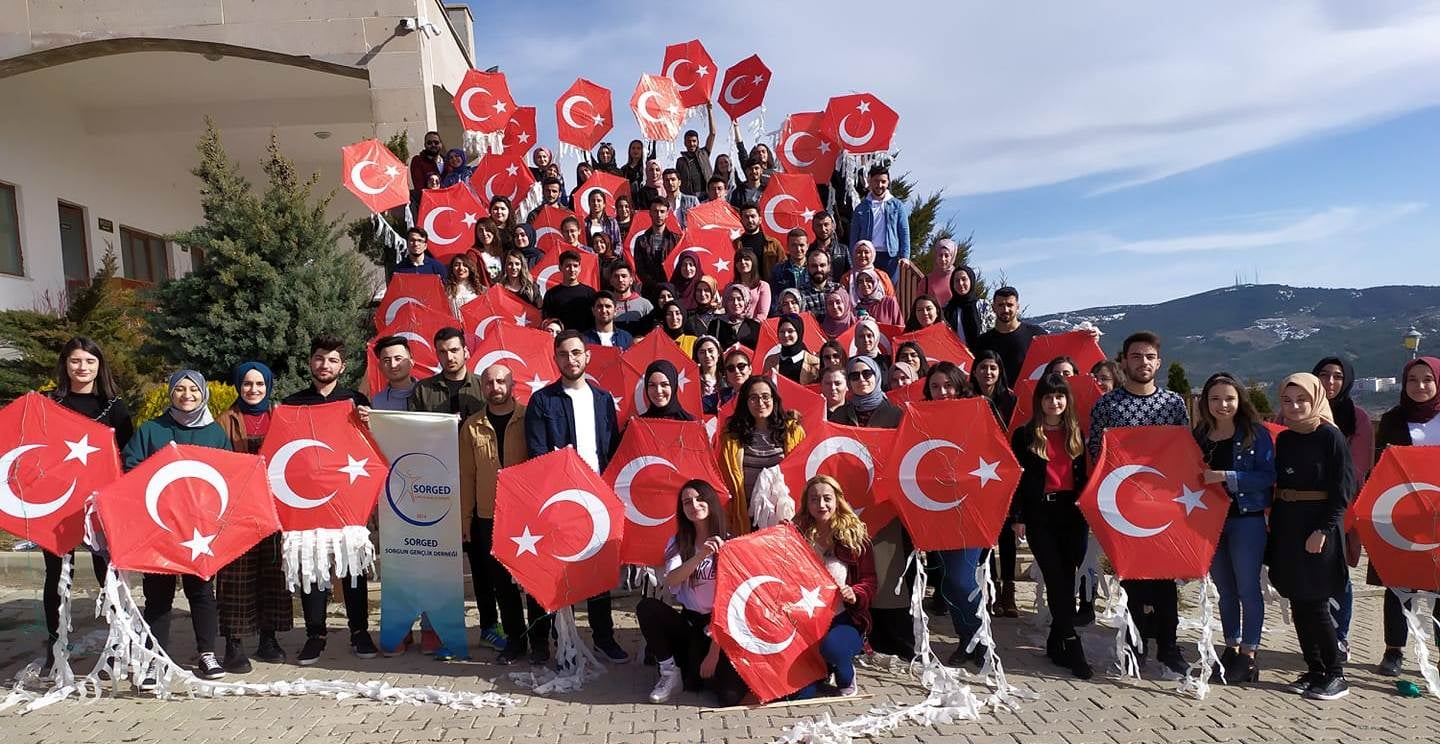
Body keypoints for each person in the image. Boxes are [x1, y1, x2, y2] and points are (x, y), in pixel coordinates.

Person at [1086, 331, 1190, 678]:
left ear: (1158, 363)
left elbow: (1183, 450)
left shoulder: (1173, 404)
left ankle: (1169, 647)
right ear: (1124, 361)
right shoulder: (1107, 405)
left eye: (1149, 357)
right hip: (1123, 504)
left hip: (1164, 505)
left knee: (1164, 580)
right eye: (1135, 356)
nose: (1142, 362)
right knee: (1132, 579)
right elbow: (1097, 450)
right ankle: (1135, 643)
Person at [523, 332, 628, 662]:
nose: (571, 359)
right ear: (556, 358)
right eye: (564, 354)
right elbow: (538, 453)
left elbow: (610, 450)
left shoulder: (602, 399)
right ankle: (553, 641)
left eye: (577, 353)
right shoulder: (542, 401)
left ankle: (603, 637)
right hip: (559, 499)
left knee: (598, 572)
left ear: (587, 356)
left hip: (597, 499)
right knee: (556, 573)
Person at [122, 370, 232, 681]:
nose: (187, 395)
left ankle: (207, 653)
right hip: (160, 526)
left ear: (203, 394)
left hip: (200, 529)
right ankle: (155, 658)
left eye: (194, 389)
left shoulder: (215, 433)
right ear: (171, 393)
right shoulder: (152, 429)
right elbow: (131, 466)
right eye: (180, 389)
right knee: (158, 596)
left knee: (201, 592)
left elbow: (227, 474)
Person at [279, 335, 376, 665]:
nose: (325, 365)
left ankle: (359, 632)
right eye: (320, 358)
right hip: (307, 500)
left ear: (342, 366)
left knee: (352, 566)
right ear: (311, 361)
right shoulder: (292, 404)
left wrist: (370, 422)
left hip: (347, 497)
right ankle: (315, 635)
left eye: (333, 360)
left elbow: (371, 447)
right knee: (312, 565)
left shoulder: (355, 401)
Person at [42, 337, 131, 672]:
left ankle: (119, 642)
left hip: (100, 505)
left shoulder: (114, 407)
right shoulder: (48, 403)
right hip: (57, 503)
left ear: (99, 366)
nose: (83, 368)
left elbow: (125, 455)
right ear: (65, 364)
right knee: (57, 576)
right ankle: (55, 644)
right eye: (76, 361)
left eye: (90, 361)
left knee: (107, 573)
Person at [1270, 373, 1356, 701]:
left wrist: (1323, 530)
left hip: (1318, 528)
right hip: (1288, 527)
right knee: (1297, 602)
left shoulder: (1331, 437)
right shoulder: (1286, 439)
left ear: (1316, 400)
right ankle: (1314, 669)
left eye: (1302, 400)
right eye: (1287, 401)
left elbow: (1343, 490)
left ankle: (1336, 673)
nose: (1294, 407)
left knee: (1317, 603)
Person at [1009, 373, 1093, 678]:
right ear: (1039, 401)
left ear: (1067, 400)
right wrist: (1017, 516)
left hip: (1072, 514)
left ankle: (1056, 642)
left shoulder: (1077, 434)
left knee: (1067, 579)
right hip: (1039, 516)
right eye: (1048, 397)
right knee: (1055, 577)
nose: (1054, 402)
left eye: (1059, 396)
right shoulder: (1025, 435)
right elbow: (1017, 478)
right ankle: (1072, 643)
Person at [1193, 372, 1274, 685]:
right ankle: (1231, 646)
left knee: (1247, 588)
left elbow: (1267, 476)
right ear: (1206, 402)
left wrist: (1228, 476)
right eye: (1215, 399)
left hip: (1246, 519)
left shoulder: (1255, 433)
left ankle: (1249, 653)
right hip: (1210, 522)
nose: (1222, 405)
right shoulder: (1201, 434)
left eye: (1229, 398)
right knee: (1224, 589)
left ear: (1240, 399)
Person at [828, 355, 912, 658]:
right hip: (851, 505)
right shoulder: (839, 416)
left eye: (867, 373)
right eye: (854, 375)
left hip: (885, 504)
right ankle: (864, 636)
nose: (861, 379)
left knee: (889, 572)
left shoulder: (896, 415)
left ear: (877, 376)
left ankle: (898, 641)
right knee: (858, 569)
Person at [637, 480, 748, 705]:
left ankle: (703, 666)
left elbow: (732, 602)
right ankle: (670, 672)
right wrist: (700, 555)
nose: (694, 505)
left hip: (720, 626)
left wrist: (714, 653)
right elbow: (671, 580)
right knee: (647, 607)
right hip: (690, 622)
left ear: (711, 502)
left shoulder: (730, 542)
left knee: (730, 697)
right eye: (687, 502)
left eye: (700, 499)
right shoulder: (678, 542)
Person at [214, 361, 293, 673]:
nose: (253, 389)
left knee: (273, 573)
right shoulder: (225, 420)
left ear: (269, 386)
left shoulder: (280, 418)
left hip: (273, 508)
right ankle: (233, 644)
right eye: (247, 383)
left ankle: (268, 638)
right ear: (238, 385)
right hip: (237, 510)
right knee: (236, 577)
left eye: (260, 384)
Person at [459, 363, 540, 664]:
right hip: (488, 516)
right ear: (482, 387)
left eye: (501, 381)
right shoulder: (472, 426)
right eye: (489, 382)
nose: (495, 387)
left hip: (527, 516)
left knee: (533, 581)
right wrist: (465, 519)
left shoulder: (529, 418)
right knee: (501, 583)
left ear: (512, 384)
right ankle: (515, 640)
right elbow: (467, 475)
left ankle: (540, 640)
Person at [1371, 356, 1440, 678]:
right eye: (1413, 380)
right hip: (1401, 514)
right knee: (1399, 584)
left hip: (1438, 516)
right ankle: (1394, 650)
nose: (1420, 386)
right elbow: (1381, 468)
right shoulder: (1392, 420)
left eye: (1427, 379)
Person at [790, 475, 878, 699]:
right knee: (802, 695)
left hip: (843, 619)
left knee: (833, 649)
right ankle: (822, 669)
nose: (821, 504)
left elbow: (870, 581)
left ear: (838, 500)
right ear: (806, 503)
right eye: (814, 499)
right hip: (806, 622)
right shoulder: (795, 535)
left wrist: (855, 592)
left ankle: (844, 672)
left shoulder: (856, 537)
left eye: (827, 498)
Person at [1312, 357, 1372, 658]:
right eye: (1324, 375)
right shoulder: (1296, 410)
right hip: (1301, 506)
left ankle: (1339, 637)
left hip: (1341, 506)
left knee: (1338, 573)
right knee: (1307, 574)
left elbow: (1357, 466)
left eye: (1337, 376)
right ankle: (1314, 637)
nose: (1330, 382)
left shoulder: (1357, 417)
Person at [717, 376, 805, 533]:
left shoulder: (793, 432)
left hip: (785, 519)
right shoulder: (731, 437)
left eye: (765, 397)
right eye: (753, 398)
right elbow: (724, 481)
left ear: (774, 399)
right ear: (745, 402)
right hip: (747, 520)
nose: (760, 403)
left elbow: (802, 475)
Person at [972, 286, 1045, 386]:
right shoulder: (983, 341)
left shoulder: (1036, 334)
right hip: (995, 395)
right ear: (993, 308)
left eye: (1010, 305)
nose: (1005, 309)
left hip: (1028, 394)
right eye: (1001, 305)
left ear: (1017, 307)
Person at [849, 165, 910, 280]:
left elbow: (904, 231)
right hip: (867, 256)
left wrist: (905, 256)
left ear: (888, 183)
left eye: (883, 182)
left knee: (888, 288)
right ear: (869, 181)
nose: (880, 185)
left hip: (890, 257)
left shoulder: (897, 206)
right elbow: (854, 235)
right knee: (867, 287)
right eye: (876, 181)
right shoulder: (861, 208)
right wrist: (853, 258)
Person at [541, 251, 597, 332]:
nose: (572, 269)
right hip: (560, 338)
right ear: (560, 267)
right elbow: (547, 322)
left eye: (575, 266)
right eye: (568, 266)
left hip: (584, 338)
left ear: (580, 268)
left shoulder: (590, 293)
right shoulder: (551, 294)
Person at [942, 267, 994, 348]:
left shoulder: (983, 306)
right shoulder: (946, 309)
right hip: (954, 353)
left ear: (971, 281)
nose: (960, 283)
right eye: (957, 281)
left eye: (964, 279)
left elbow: (992, 332)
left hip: (981, 353)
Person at [635, 200, 681, 290]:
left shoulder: (676, 240)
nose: (659, 215)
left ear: (667, 214)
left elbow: (678, 266)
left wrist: (668, 286)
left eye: (662, 211)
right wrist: (654, 285)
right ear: (650, 213)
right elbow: (640, 269)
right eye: (655, 211)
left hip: (670, 289)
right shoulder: (641, 240)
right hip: (649, 289)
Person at [762, 314, 821, 384]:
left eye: (790, 331)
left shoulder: (815, 363)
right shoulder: (770, 361)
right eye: (782, 331)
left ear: (799, 332)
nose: (786, 335)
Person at [734, 204, 784, 276]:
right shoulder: (735, 244)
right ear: (741, 221)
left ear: (760, 220)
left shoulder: (774, 244)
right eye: (746, 217)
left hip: (769, 283)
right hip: (743, 282)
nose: (750, 220)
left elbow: (783, 266)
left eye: (753, 216)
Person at [708, 284, 760, 350]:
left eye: (739, 299)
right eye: (731, 299)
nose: (735, 303)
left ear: (746, 301)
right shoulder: (715, 324)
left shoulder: (755, 326)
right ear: (726, 302)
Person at [971, 349, 1016, 425]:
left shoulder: (1010, 400)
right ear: (974, 372)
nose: (988, 372)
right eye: (983, 367)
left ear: (999, 372)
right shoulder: (967, 399)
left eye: (993, 368)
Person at [610, 265, 655, 338]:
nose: (620, 280)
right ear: (611, 281)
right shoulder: (606, 305)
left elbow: (653, 332)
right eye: (616, 276)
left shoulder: (644, 304)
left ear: (631, 280)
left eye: (624, 276)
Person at [769, 229, 809, 309]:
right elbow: (775, 299)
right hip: (787, 312)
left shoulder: (815, 267)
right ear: (787, 246)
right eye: (794, 245)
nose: (798, 249)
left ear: (807, 246)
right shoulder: (778, 270)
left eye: (801, 245)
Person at [707, 347, 753, 414]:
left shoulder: (760, 392)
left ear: (750, 369)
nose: (736, 371)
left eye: (741, 366)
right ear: (726, 373)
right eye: (731, 368)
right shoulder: (720, 397)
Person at [799, 250, 842, 320]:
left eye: (822, 265)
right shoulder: (800, 294)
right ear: (807, 267)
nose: (818, 269)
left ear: (829, 267)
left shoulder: (838, 289)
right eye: (814, 266)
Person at [731, 248, 771, 320]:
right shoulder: (730, 287)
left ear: (753, 262)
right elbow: (726, 310)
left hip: (754, 325)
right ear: (736, 265)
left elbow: (762, 315)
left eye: (746, 259)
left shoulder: (763, 286)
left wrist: (748, 325)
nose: (743, 262)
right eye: (739, 260)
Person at [811, 211, 851, 281]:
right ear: (813, 228)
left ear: (832, 226)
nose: (823, 229)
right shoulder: (809, 251)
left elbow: (851, 273)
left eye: (826, 224)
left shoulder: (843, 250)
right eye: (819, 225)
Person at [921, 238, 959, 307]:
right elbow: (920, 305)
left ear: (952, 256)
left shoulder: (959, 278)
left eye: (946, 255)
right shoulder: (926, 281)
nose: (943, 259)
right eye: (940, 255)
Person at [409, 131, 444, 201]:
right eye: (429, 143)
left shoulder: (447, 161)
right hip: (428, 202)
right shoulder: (418, 161)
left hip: (447, 202)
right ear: (425, 145)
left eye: (436, 142)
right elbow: (419, 187)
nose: (433, 145)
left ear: (441, 144)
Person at [693, 336, 722, 411]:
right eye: (702, 352)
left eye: (710, 351)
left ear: (718, 353)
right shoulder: (692, 380)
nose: (707, 355)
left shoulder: (727, 379)